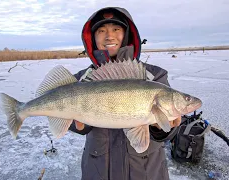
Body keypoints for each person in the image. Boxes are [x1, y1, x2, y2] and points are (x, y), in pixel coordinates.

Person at [68, 7, 181, 180]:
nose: (109, 36)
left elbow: (167, 133)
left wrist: (163, 129)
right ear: (92, 38)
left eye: (116, 29)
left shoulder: (154, 77)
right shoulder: (82, 80)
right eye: (101, 31)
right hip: (98, 171)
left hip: (146, 172)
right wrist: (75, 123)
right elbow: (70, 122)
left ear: (127, 33)